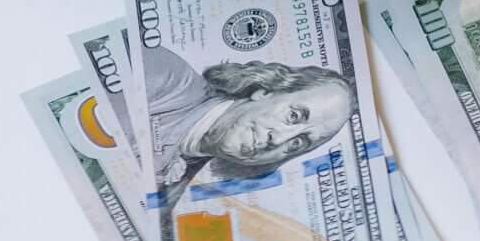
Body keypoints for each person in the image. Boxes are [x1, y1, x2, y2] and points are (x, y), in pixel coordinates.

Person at [139, 45, 357, 205]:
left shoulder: (174, 194)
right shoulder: (163, 75)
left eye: (298, 142)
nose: (279, 140)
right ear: (264, 91)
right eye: (293, 116)